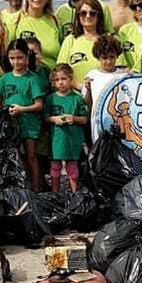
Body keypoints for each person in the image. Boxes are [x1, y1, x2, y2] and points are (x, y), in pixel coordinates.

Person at [0, 39, 47, 189]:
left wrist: (21, 109)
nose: (16, 62)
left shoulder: (33, 79)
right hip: (10, 126)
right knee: (12, 157)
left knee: (31, 157)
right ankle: (17, 187)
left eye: (19, 58)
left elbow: (39, 105)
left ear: (27, 57)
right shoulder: (5, 78)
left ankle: (35, 188)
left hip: (29, 125)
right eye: (12, 58)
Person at [46, 64, 88, 193]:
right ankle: (55, 194)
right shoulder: (50, 98)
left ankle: (74, 194)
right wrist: (54, 119)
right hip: (57, 139)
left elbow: (85, 119)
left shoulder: (77, 98)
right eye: (57, 80)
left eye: (63, 79)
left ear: (71, 79)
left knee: (72, 166)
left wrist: (74, 118)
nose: (61, 83)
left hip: (72, 139)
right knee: (55, 166)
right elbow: (45, 117)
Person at [10, 0, 64, 70]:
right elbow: (6, 52)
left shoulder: (55, 20)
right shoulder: (15, 19)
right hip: (25, 77)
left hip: (51, 78)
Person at [57, 0, 108, 81]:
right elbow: (60, 71)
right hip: (76, 92)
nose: (88, 16)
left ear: (99, 16)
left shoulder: (108, 40)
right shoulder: (70, 40)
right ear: (78, 16)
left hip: (104, 91)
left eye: (92, 13)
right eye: (83, 13)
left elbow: (119, 70)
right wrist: (79, 86)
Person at [83, 35, 129, 110]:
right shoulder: (92, 76)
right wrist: (88, 90)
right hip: (98, 120)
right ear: (98, 57)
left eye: (112, 57)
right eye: (104, 58)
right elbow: (86, 104)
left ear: (117, 56)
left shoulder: (123, 75)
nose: (108, 61)